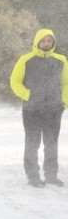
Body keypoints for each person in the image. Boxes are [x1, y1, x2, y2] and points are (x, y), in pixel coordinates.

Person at [9, 29, 68, 187]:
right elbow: (15, 81)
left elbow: (65, 83)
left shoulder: (61, 60)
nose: (47, 43)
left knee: (51, 144)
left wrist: (63, 102)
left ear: (53, 43)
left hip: (54, 109)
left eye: (49, 41)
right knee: (32, 143)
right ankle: (33, 176)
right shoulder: (26, 60)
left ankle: (51, 175)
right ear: (37, 42)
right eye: (44, 41)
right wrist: (28, 95)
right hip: (32, 109)